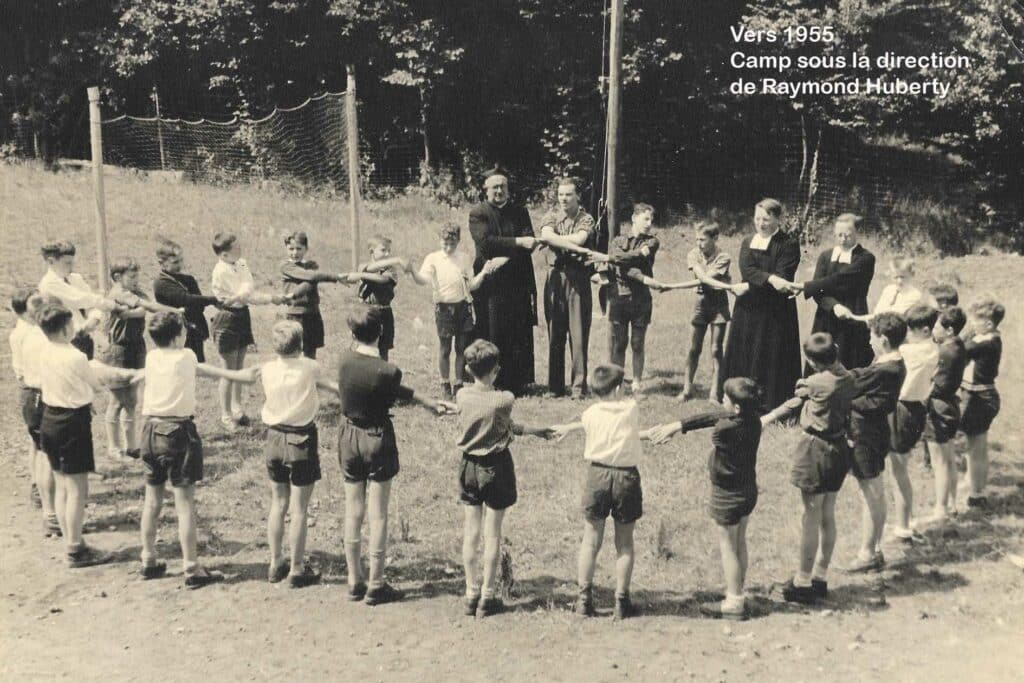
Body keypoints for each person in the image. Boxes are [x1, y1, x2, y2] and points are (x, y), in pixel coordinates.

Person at [337, 307, 455, 605]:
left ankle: (354, 580)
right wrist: (429, 404)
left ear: (353, 334)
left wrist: (425, 400)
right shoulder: (388, 371)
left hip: (348, 437)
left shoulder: (344, 360)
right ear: (381, 333)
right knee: (378, 514)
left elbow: (391, 386)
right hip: (377, 438)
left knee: (353, 510)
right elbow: (391, 387)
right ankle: (376, 583)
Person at [138, 311, 259, 588]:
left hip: (150, 431)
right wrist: (240, 375)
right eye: (183, 332)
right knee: (184, 505)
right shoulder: (187, 356)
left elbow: (204, 371)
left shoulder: (152, 357)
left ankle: (148, 559)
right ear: (177, 337)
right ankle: (192, 567)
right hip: (177, 433)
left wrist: (235, 374)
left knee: (152, 501)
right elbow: (203, 369)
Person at [644, 377, 763, 620]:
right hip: (747, 491)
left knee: (728, 547)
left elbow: (716, 419)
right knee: (740, 542)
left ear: (736, 408)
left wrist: (676, 428)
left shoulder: (724, 430)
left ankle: (734, 602)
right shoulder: (754, 420)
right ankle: (738, 591)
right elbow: (717, 415)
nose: (721, 399)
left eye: (725, 398)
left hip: (726, 495)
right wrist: (679, 425)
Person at [36, 302, 140, 568]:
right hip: (72, 423)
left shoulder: (43, 350)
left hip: (49, 419)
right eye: (71, 323)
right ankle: (75, 550)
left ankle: (72, 542)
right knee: (77, 489)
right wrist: (124, 375)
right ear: (64, 329)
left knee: (62, 484)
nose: (74, 327)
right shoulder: (75, 356)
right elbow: (96, 384)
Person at [455, 339, 552, 617]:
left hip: (469, 467)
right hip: (496, 467)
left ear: (468, 369)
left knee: (471, 532)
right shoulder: (504, 399)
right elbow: (505, 424)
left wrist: (534, 430)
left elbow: (504, 425)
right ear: (495, 370)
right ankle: (488, 595)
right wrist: (538, 431)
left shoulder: (462, 396)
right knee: (493, 533)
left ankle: (470, 592)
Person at [762, 334, 855, 604]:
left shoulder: (815, 382)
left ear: (813, 362)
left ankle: (802, 582)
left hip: (816, 449)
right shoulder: (848, 377)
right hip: (839, 447)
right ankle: (820, 577)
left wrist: (767, 418)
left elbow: (798, 394)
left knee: (810, 517)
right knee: (828, 514)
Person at [552, 365, 646, 620]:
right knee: (624, 543)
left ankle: (583, 599)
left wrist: (567, 428)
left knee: (590, 540)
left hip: (598, 476)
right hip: (626, 477)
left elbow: (584, 422)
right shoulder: (630, 409)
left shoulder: (590, 413)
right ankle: (621, 601)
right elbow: (627, 404)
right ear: (617, 388)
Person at [256, 321, 339, 587]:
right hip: (301, 439)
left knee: (278, 503)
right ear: (301, 344)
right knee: (299, 508)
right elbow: (327, 385)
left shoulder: (267, 368)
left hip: (274, 438)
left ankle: (275, 562)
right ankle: (297, 568)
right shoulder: (309, 367)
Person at [722, 199, 802, 411]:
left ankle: (768, 403)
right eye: (757, 219)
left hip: (774, 310)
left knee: (769, 353)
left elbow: (784, 276)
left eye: (766, 219)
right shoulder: (748, 241)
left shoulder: (789, 244)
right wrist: (770, 279)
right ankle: (738, 398)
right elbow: (747, 270)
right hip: (748, 309)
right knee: (745, 351)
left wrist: (757, 284)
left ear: (778, 219)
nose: (760, 223)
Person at [407, 224, 503, 398]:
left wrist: (483, 272)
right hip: (444, 309)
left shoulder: (464, 258)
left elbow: (471, 285)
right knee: (445, 349)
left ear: (458, 241)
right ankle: (445, 383)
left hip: (463, 307)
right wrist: (413, 271)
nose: (449, 247)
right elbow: (423, 280)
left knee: (461, 348)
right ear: (439, 240)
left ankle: (458, 383)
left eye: (452, 243)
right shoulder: (433, 258)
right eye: (445, 243)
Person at [844, 313, 906, 573]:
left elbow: (852, 382)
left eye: (872, 336)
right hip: (876, 432)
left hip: (865, 435)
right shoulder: (891, 362)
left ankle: (867, 553)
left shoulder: (885, 369)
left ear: (884, 340)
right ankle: (876, 548)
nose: (869, 341)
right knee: (875, 491)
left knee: (870, 494)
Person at [102, 257, 181, 461]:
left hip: (136, 347)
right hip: (118, 350)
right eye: (131, 277)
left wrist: (141, 310)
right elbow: (144, 308)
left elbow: (146, 307)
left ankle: (131, 447)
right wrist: (174, 311)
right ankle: (114, 448)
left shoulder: (135, 292)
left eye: (137, 276)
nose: (136, 280)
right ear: (117, 277)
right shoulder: (118, 293)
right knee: (117, 401)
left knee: (132, 401)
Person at [468, 169, 539, 395]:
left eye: (503, 186)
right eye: (494, 187)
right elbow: (486, 243)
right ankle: (492, 380)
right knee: (493, 329)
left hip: (518, 279)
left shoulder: (520, 212)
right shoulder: (478, 213)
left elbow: (531, 242)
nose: (499, 190)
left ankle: (518, 382)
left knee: (519, 329)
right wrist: (518, 242)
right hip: (492, 282)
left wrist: (507, 255)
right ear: (485, 190)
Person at [210, 231, 288, 432]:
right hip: (226, 319)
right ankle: (226, 415)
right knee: (228, 371)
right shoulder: (221, 271)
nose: (241, 249)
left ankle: (237, 410)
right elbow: (246, 295)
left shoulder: (241, 263)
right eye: (236, 247)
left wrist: (247, 293)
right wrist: (272, 298)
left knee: (239, 366)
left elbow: (247, 288)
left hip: (242, 316)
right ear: (224, 255)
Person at [602, 203, 673, 394]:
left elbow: (623, 263)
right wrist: (642, 272)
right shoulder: (618, 240)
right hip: (620, 298)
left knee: (637, 342)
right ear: (634, 218)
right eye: (645, 219)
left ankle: (636, 382)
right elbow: (619, 261)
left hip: (641, 299)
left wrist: (623, 259)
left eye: (651, 220)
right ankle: (617, 382)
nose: (649, 224)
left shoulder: (652, 242)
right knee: (620, 343)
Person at [537, 178, 599, 398]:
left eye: (569, 195)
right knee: (555, 332)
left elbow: (580, 239)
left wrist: (556, 241)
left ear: (577, 196)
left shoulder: (586, 218)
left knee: (578, 334)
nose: (564, 199)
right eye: (561, 194)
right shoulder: (551, 215)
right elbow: (546, 234)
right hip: (555, 277)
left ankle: (578, 387)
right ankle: (555, 387)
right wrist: (566, 243)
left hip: (578, 278)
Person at [887, 304, 939, 541]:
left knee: (898, 471)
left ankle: (903, 526)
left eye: (911, 329)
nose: (907, 334)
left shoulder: (910, 352)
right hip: (917, 408)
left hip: (903, 409)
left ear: (925, 330)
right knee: (900, 469)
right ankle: (905, 519)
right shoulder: (933, 349)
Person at [797, 214, 875, 371]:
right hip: (826, 316)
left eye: (847, 235)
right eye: (839, 235)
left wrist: (806, 286)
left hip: (852, 314)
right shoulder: (825, 256)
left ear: (857, 232)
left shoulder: (866, 258)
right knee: (820, 359)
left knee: (850, 363)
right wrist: (834, 306)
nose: (842, 239)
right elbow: (818, 292)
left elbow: (839, 279)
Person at [680, 221, 739, 402]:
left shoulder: (724, 257)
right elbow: (701, 275)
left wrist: (672, 286)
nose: (699, 243)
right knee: (693, 348)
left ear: (715, 238)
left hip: (718, 305)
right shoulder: (693, 254)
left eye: (703, 240)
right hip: (700, 303)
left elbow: (706, 278)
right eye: (697, 239)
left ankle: (715, 393)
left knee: (716, 349)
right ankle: (687, 389)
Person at [37, 239, 120, 360]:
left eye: (72, 263)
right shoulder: (49, 283)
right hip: (66, 339)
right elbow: (82, 299)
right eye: (67, 263)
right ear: (51, 261)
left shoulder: (75, 279)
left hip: (85, 336)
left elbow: (92, 303)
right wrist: (112, 305)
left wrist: (94, 318)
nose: (71, 267)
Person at [922, 306, 968, 523]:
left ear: (949, 330)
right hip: (951, 406)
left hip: (938, 409)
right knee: (949, 459)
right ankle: (952, 504)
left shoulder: (944, 353)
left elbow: (934, 386)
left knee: (939, 462)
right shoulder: (959, 345)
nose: (933, 330)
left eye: (937, 327)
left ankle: (940, 509)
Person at [959, 296, 1004, 508]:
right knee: (974, 445)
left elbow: (960, 349)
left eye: (974, 320)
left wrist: (960, 334)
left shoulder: (986, 343)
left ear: (988, 323)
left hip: (980, 398)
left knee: (976, 448)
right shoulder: (987, 338)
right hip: (976, 395)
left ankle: (977, 494)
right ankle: (973, 481)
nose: (971, 324)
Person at [280, 231, 351, 359]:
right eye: (291, 249)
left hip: (312, 314)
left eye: (299, 248)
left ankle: (310, 372)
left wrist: (294, 294)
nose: (295, 252)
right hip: (295, 314)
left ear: (306, 248)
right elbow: (311, 277)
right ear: (286, 248)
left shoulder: (311, 265)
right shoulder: (286, 266)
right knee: (294, 352)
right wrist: (336, 277)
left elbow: (310, 282)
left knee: (311, 353)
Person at [9, 288, 46, 519]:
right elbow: (23, 371)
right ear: (22, 311)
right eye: (35, 305)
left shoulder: (35, 328)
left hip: (37, 388)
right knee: (40, 445)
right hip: (34, 390)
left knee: (38, 444)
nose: (40, 307)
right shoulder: (23, 334)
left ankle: (38, 484)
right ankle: (39, 487)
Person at [153, 239, 220, 362]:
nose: (180, 265)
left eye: (181, 260)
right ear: (161, 263)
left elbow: (199, 305)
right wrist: (213, 300)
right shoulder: (161, 283)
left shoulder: (189, 280)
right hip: (174, 333)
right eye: (175, 262)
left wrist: (191, 305)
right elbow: (186, 299)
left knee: (196, 364)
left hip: (194, 331)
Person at [352, 235, 403, 361]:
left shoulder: (391, 269)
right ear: (371, 251)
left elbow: (382, 279)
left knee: (383, 349)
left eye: (389, 251)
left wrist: (361, 275)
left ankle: (382, 372)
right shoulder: (363, 266)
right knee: (363, 346)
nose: (387, 254)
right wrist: (362, 273)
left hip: (384, 312)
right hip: (366, 312)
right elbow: (368, 269)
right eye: (383, 250)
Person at [847, 257, 924, 323]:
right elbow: (877, 314)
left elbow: (892, 316)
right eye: (896, 277)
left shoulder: (914, 295)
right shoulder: (889, 290)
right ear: (890, 276)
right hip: (880, 325)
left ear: (911, 275)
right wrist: (854, 317)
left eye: (903, 277)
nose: (899, 281)